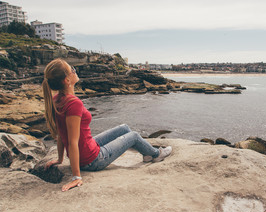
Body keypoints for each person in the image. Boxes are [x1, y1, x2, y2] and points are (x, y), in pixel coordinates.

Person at [42, 58, 172, 192]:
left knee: (124, 128)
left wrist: (59, 159)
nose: (75, 71)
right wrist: (76, 176)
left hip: (88, 148)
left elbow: (61, 134)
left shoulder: (57, 99)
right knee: (133, 136)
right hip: (92, 160)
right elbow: (72, 141)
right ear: (67, 80)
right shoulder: (73, 103)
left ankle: (147, 154)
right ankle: (156, 155)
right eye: (72, 70)